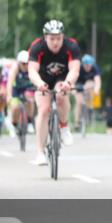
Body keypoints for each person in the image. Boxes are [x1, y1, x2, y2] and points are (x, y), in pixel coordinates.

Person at [27, 20, 82, 165]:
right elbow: (32, 70)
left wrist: (68, 83)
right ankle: (40, 152)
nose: (56, 42)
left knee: (61, 95)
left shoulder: (71, 46)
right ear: (45, 37)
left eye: (58, 38)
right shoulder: (37, 46)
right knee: (44, 110)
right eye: (52, 38)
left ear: (63, 36)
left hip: (62, 78)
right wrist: (39, 84)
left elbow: (74, 69)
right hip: (42, 79)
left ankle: (64, 127)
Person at [7, 50, 36, 138]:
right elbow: (10, 82)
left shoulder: (31, 68)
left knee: (30, 101)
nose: (25, 66)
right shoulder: (15, 68)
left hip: (28, 88)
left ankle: (30, 122)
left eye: (27, 63)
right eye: (23, 64)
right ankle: (14, 125)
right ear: (19, 63)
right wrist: (8, 95)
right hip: (17, 89)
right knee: (15, 108)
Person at [74, 54, 102, 129]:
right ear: (83, 64)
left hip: (89, 84)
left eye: (89, 66)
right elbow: (73, 80)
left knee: (90, 83)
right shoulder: (79, 68)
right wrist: (73, 90)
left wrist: (96, 90)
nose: (87, 68)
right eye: (86, 66)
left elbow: (97, 81)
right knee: (79, 102)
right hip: (79, 84)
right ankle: (77, 122)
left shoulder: (95, 68)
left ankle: (89, 106)